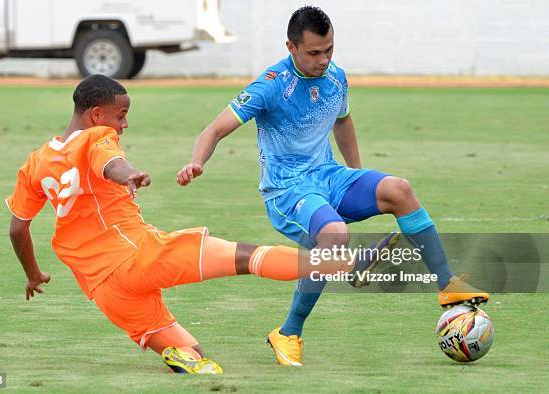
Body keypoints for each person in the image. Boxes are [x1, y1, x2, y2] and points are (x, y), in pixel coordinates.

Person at [177, 6, 489, 366]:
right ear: (291, 47)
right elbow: (214, 129)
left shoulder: (336, 77)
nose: (323, 60)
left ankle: (447, 285)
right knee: (334, 236)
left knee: (398, 190)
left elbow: (343, 120)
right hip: (287, 190)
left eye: (329, 50)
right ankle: (289, 332)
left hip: (328, 176)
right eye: (314, 53)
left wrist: (357, 173)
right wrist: (196, 162)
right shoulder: (270, 85)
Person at [6, 74, 379, 374]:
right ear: (97, 115)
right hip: (140, 256)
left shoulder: (35, 163)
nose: (124, 124)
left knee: (193, 354)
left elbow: (17, 228)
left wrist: (33, 274)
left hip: (103, 289)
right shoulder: (96, 136)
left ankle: (183, 357)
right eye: (120, 115)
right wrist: (129, 174)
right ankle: (350, 264)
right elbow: (108, 162)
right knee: (248, 257)